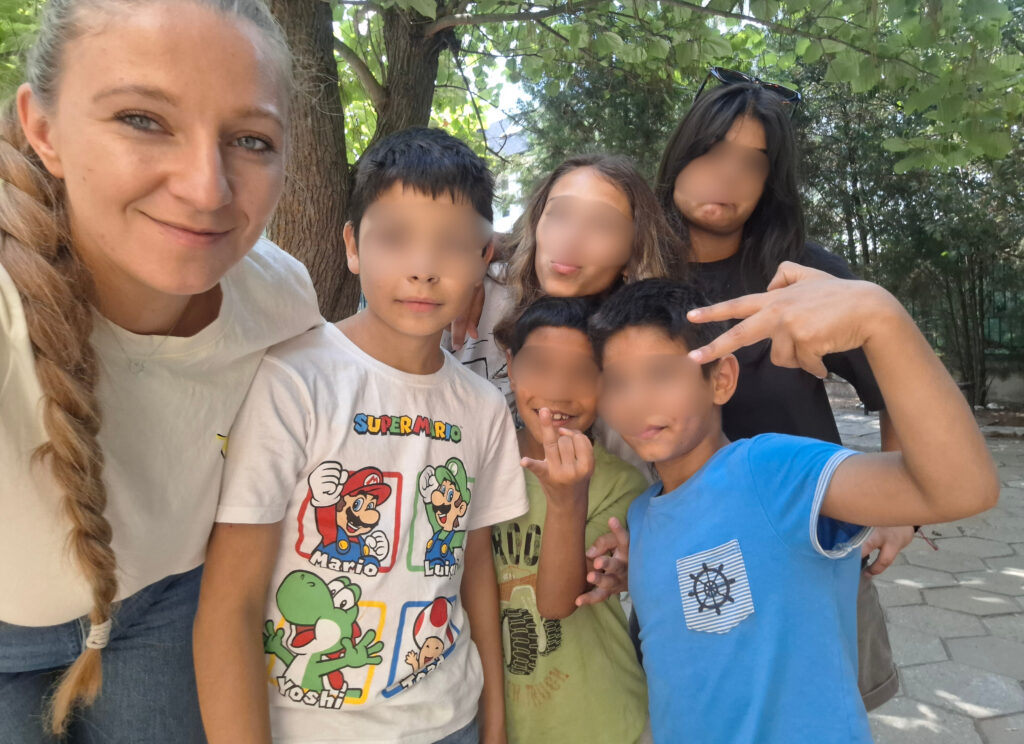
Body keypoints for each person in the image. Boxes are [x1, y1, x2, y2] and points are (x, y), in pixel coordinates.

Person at [0, 0, 321, 740]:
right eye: (142, 120)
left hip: (169, 602)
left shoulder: (280, 300)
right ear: (43, 128)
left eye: (251, 140)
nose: (206, 188)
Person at [194, 128, 528, 744]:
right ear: (352, 245)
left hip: (450, 719)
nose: (423, 268)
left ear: (484, 257)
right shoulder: (293, 379)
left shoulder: (483, 405)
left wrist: (496, 723)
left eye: (453, 245)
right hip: (307, 726)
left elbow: (474, 562)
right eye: (394, 238)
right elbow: (230, 598)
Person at [588, 273, 998, 743]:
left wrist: (881, 318)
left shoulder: (771, 471)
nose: (635, 401)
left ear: (721, 379)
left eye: (661, 374)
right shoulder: (642, 515)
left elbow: (963, 487)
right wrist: (640, 571)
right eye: (616, 383)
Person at [655, 78, 912, 706]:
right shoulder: (636, 269)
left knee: (824, 714)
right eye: (714, 152)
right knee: (699, 712)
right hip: (682, 546)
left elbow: (897, 383)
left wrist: (901, 507)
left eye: (752, 162)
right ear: (680, 156)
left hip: (812, 542)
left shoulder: (802, 273)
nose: (728, 176)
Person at [490, 297, 648, 744]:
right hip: (495, 719)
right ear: (510, 366)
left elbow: (558, 602)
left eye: (582, 372)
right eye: (539, 366)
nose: (558, 389)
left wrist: (567, 498)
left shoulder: (620, 483)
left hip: (600, 719)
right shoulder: (478, 465)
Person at [447, 154, 679, 406]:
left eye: (602, 224)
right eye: (559, 214)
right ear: (536, 224)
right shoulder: (474, 288)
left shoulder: (645, 347)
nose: (571, 239)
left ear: (633, 255)